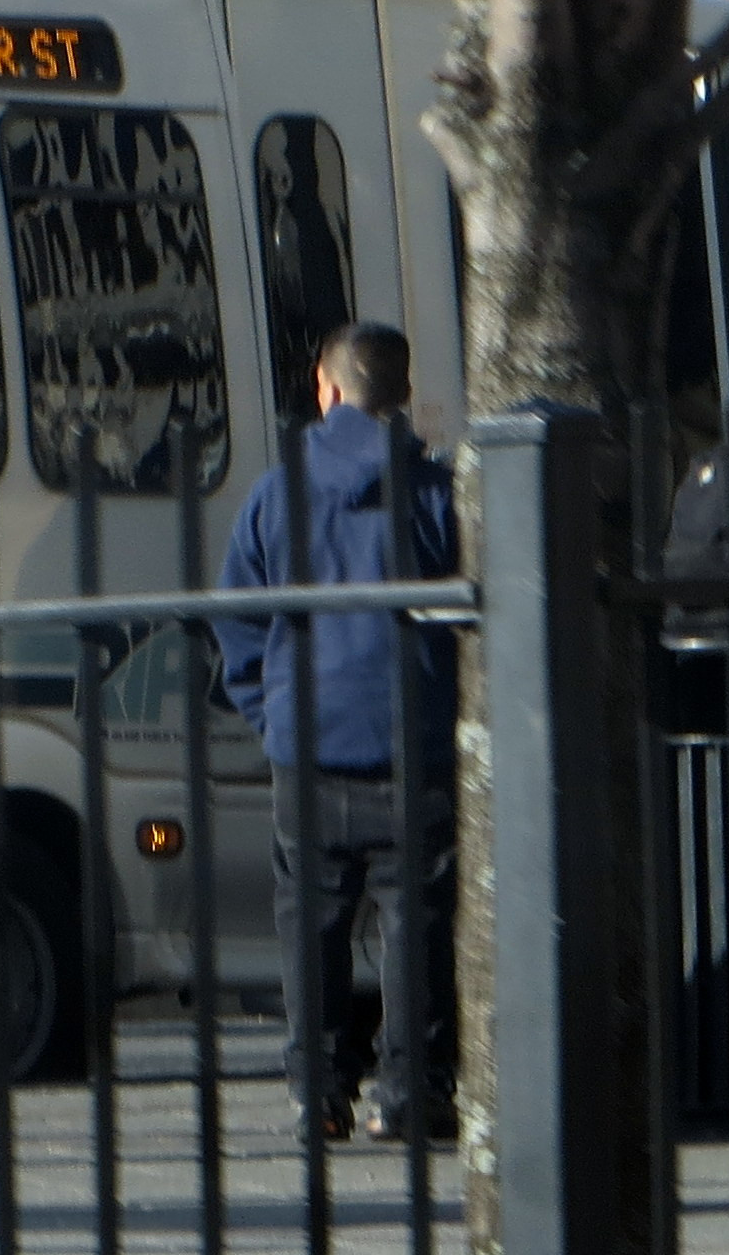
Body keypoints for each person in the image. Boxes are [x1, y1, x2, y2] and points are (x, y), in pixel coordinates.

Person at [214, 323, 457, 1142]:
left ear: (324, 389)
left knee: (309, 920)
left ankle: (316, 1091)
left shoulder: (272, 492)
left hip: (306, 738)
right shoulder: (433, 492)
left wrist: (268, 708)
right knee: (414, 921)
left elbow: (238, 623)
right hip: (409, 738)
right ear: (400, 394)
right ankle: (412, 1090)